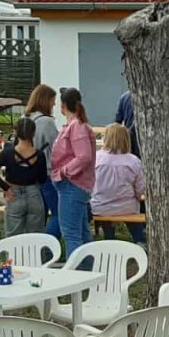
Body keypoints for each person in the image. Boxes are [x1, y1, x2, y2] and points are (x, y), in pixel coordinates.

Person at [51, 87, 97, 256]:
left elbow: (84, 156)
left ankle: (76, 269)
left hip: (73, 185)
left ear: (63, 106)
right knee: (82, 233)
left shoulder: (77, 127)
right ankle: (88, 267)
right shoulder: (74, 125)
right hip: (73, 185)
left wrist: (64, 171)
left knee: (71, 233)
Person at [0, 116, 49, 236]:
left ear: (16, 132)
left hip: (13, 194)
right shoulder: (40, 155)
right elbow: (43, 179)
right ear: (33, 133)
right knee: (36, 236)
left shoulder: (7, 153)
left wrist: (6, 187)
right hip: (34, 194)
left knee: (13, 236)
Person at [92, 122, 146, 243]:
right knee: (133, 214)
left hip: (101, 206)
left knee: (105, 214)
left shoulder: (96, 158)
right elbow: (140, 189)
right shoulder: (133, 161)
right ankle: (140, 241)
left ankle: (109, 240)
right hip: (127, 207)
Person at [22, 83, 62, 236]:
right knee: (59, 213)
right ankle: (48, 245)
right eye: (52, 101)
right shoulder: (46, 122)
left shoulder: (26, 118)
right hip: (47, 173)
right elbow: (57, 148)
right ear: (45, 100)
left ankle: (36, 244)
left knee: (39, 216)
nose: (54, 105)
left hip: (29, 174)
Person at [114, 88, 139, 158]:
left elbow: (118, 120)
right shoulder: (145, 96)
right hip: (140, 134)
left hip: (128, 135)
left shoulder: (124, 97)